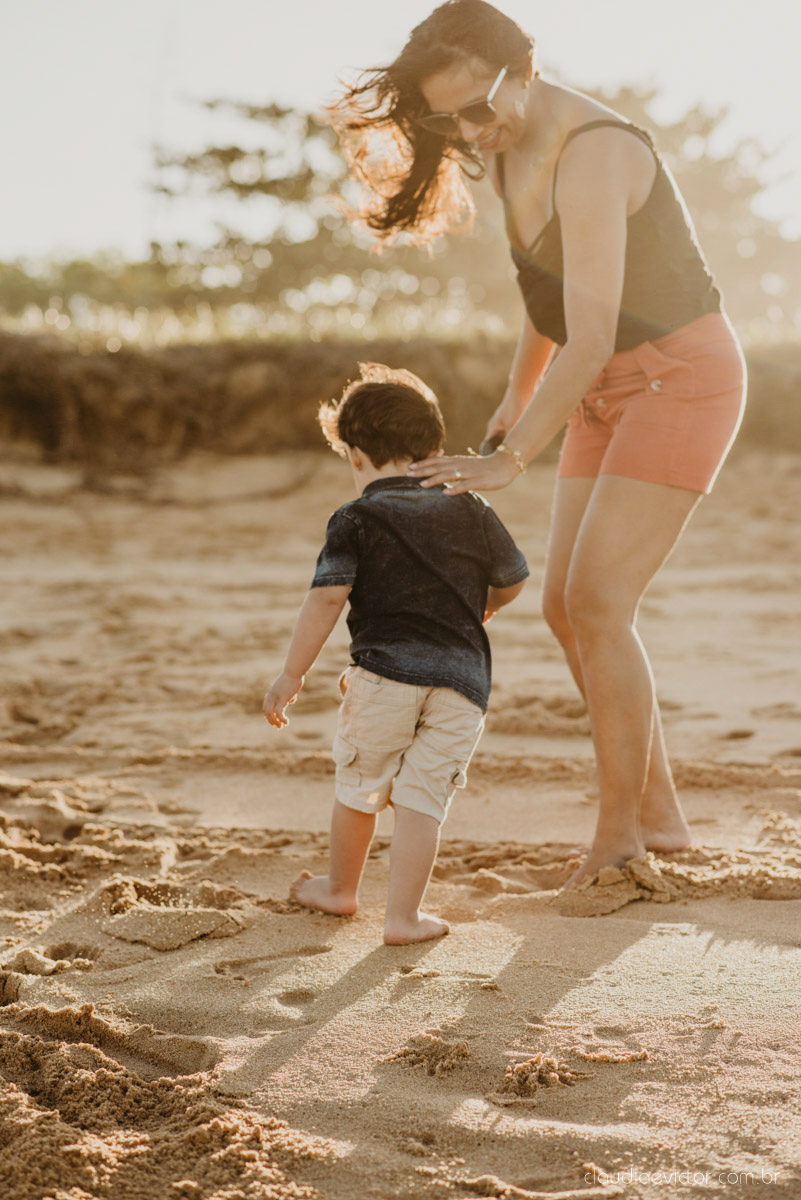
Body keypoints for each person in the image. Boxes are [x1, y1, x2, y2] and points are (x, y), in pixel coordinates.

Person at [330, 0, 747, 887]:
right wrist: (516, 401)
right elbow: (547, 300)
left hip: (682, 376)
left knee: (598, 604)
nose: (468, 131)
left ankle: (619, 840)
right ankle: (661, 815)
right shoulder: (505, 143)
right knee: (564, 605)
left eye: (478, 106)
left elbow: (592, 332)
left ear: (524, 65)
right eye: (446, 118)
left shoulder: (595, 152)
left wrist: (512, 456)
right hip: (600, 390)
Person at [263, 362, 528, 942]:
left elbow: (327, 599)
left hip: (384, 675)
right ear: (432, 448)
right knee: (423, 800)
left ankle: (340, 891)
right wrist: (483, 608)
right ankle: (404, 918)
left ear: (355, 455)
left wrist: (292, 673)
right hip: (464, 683)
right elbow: (513, 578)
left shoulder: (356, 516)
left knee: (360, 785)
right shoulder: (471, 505)